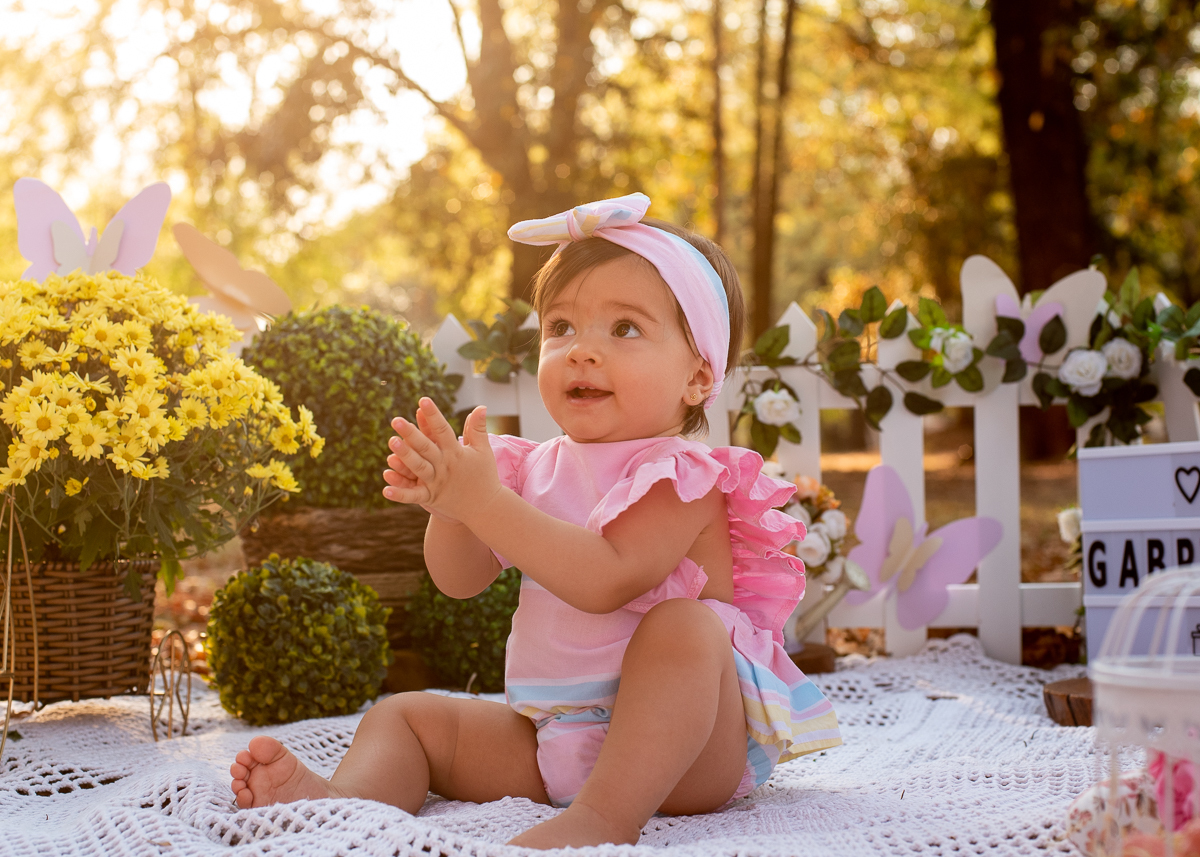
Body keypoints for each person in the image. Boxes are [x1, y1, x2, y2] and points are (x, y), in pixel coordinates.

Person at [227, 193, 842, 849]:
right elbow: (458, 579)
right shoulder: (527, 466)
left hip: (683, 755)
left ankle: (604, 818)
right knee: (405, 717)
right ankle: (342, 797)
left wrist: (485, 502)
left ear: (697, 376)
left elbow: (607, 577)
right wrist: (454, 508)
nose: (582, 351)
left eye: (625, 329)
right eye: (561, 328)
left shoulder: (683, 476)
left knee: (684, 626)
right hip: (550, 736)